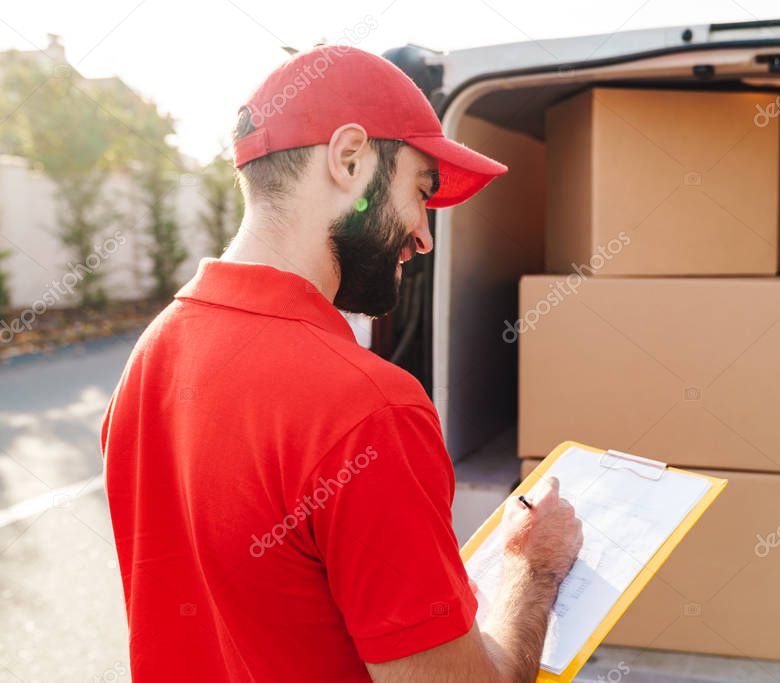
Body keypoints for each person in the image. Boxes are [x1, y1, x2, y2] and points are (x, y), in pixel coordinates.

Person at [101, 45, 583, 682]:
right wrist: (535, 568)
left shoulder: (152, 354)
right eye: (419, 191)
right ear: (350, 159)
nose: (424, 235)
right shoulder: (370, 408)